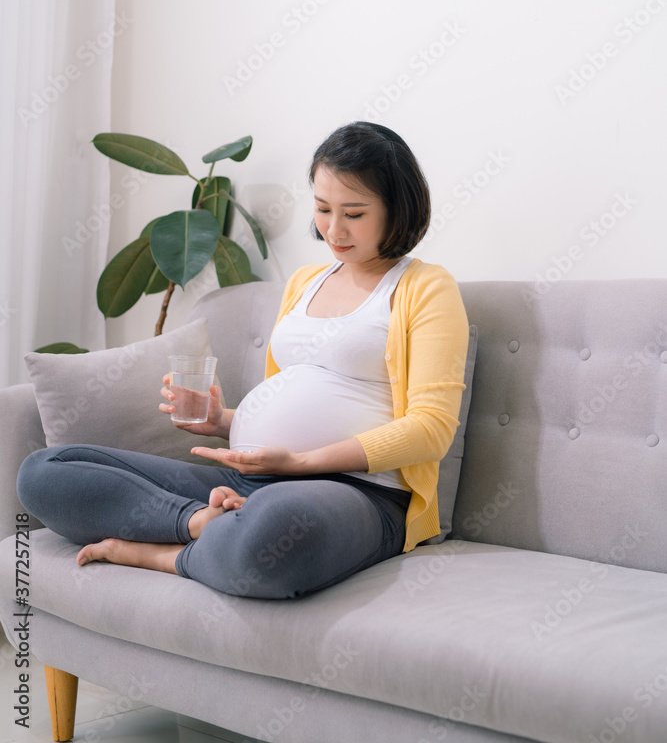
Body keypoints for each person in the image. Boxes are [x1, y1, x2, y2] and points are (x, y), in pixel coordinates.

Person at [17, 122, 469, 599]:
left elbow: (431, 428)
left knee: (269, 536)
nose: (333, 229)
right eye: (322, 209)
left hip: (358, 492)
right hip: (248, 479)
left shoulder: (425, 288)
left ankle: (161, 553)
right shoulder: (305, 282)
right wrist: (223, 422)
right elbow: (287, 399)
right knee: (45, 471)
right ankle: (198, 524)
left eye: (354, 213)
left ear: (397, 210)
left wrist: (300, 462)